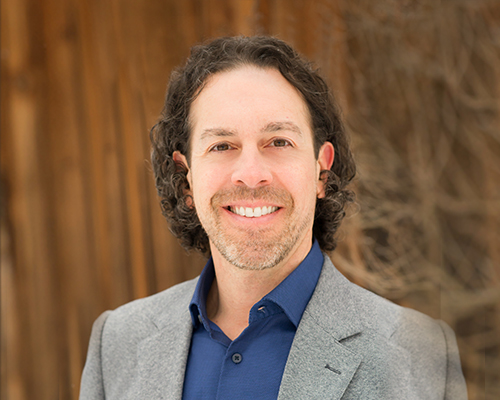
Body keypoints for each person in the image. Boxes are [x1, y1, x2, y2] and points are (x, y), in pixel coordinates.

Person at [80, 36, 467, 399]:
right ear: (186, 179)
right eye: (222, 145)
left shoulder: (420, 356)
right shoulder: (116, 343)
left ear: (321, 170)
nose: (251, 173)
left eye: (279, 141)